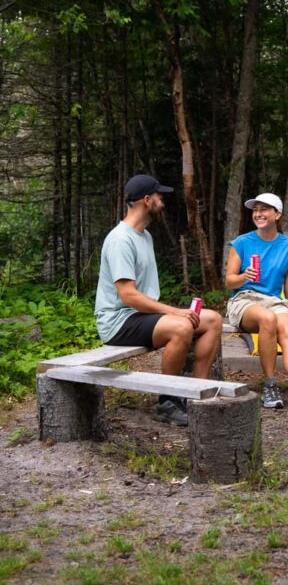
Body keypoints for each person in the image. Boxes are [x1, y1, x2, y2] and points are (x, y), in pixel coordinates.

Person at [95, 174, 223, 427]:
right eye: (159, 197)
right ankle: (168, 401)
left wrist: (174, 313)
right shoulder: (121, 239)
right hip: (118, 321)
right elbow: (128, 295)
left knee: (213, 319)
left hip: (138, 316)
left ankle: (196, 393)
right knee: (182, 325)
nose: (162, 202)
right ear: (146, 200)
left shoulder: (145, 236)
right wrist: (175, 312)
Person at [225, 192, 288, 415]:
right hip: (244, 299)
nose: (258, 214)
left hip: (274, 301)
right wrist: (244, 276)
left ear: (277, 214)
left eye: (264, 209)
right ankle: (270, 385)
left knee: (286, 328)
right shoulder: (242, 243)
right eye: (256, 210)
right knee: (268, 319)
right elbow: (229, 281)